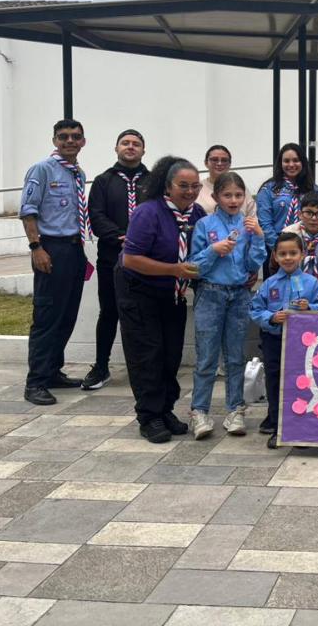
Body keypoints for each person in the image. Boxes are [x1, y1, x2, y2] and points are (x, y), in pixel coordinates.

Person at [116, 156, 205, 442]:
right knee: (148, 354)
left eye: (195, 186)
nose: (190, 191)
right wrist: (174, 270)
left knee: (170, 354)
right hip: (139, 291)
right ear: (168, 186)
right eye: (183, 185)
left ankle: (165, 409)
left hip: (173, 293)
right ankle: (149, 416)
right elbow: (131, 259)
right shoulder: (148, 212)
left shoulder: (196, 214)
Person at [187, 172, 267, 440]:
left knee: (235, 357)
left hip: (239, 294)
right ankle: (200, 411)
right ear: (215, 197)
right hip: (210, 293)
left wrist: (258, 237)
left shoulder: (249, 225)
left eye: (238, 195)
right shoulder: (204, 225)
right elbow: (194, 266)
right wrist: (214, 250)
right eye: (227, 195)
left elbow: (252, 265)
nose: (233, 200)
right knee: (207, 357)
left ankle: (235, 410)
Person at [19, 119, 90, 405]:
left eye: (75, 136)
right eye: (63, 137)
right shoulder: (42, 169)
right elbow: (28, 211)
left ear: (83, 141)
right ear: (54, 141)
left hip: (74, 248)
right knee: (47, 317)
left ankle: (52, 372)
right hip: (51, 249)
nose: (69, 141)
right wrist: (36, 247)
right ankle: (35, 382)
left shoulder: (78, 173)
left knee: (67, 315)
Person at [84, 128, 148, 391]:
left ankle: (145, 366)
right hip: (111, 257)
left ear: (143, 150)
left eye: (136, 144)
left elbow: (160, 213)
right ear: (116, 148)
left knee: (145, 311)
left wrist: (141, 240)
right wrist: (122, 237)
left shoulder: (154, 181)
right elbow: (96, 215)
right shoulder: (103, 181)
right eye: (125, 143)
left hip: (146, 258)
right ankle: (101, 366)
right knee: (109, 311)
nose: (130, 147)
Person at [250, 232, 318, 448]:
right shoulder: (269, 284)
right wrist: (271, 318)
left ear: (302, 254)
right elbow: (255, 309)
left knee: (301, 383)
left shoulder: (312, 283)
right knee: (275, 383)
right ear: (275, 256)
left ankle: (301, 429)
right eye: (283, 254)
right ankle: (278, 429)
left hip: (302, 344)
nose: (288, 258)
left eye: (293, 253)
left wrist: (310, 307)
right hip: (274, 341)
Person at [273, 191, 318, 306]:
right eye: (308, 213)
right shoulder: (287, 235)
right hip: (291, 299)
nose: (313, 218)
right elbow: (274, 268)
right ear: (300, 214)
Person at [256, 142, 317, 259]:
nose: (291, 164)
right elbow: (265, 224)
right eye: (286, 161)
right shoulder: (268, 189)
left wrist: (308, 248)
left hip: (307, 247)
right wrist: (280, 249)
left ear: (303, 162)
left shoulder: (313, 189)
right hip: (276, 249)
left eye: (296, 160)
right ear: (280, 163)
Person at [196, 144, 257, 218]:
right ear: (206, 163)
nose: (219, 163)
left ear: (229, 164)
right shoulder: (197, 188)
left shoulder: (240, 187)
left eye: (224, 160)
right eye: (214, 160)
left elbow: (252, 215)